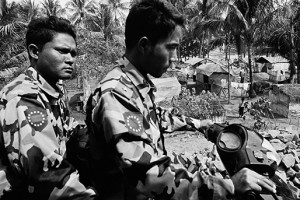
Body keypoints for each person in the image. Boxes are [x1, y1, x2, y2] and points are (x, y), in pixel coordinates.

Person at [86, 0, 277, 199]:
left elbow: (154, 117)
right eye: (171, 47)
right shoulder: (116, 94)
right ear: (144, 45)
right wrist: (228, 186)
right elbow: (149, 177)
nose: (175, 57)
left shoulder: (133, 84)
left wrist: (200, 124)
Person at [0, 16, 96, 199]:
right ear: (35, 52)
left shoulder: (52, 89)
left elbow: (68, 131)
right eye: (62, 51)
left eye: (73, 53)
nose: (70, 59)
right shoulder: (23, 97)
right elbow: (47, 174)